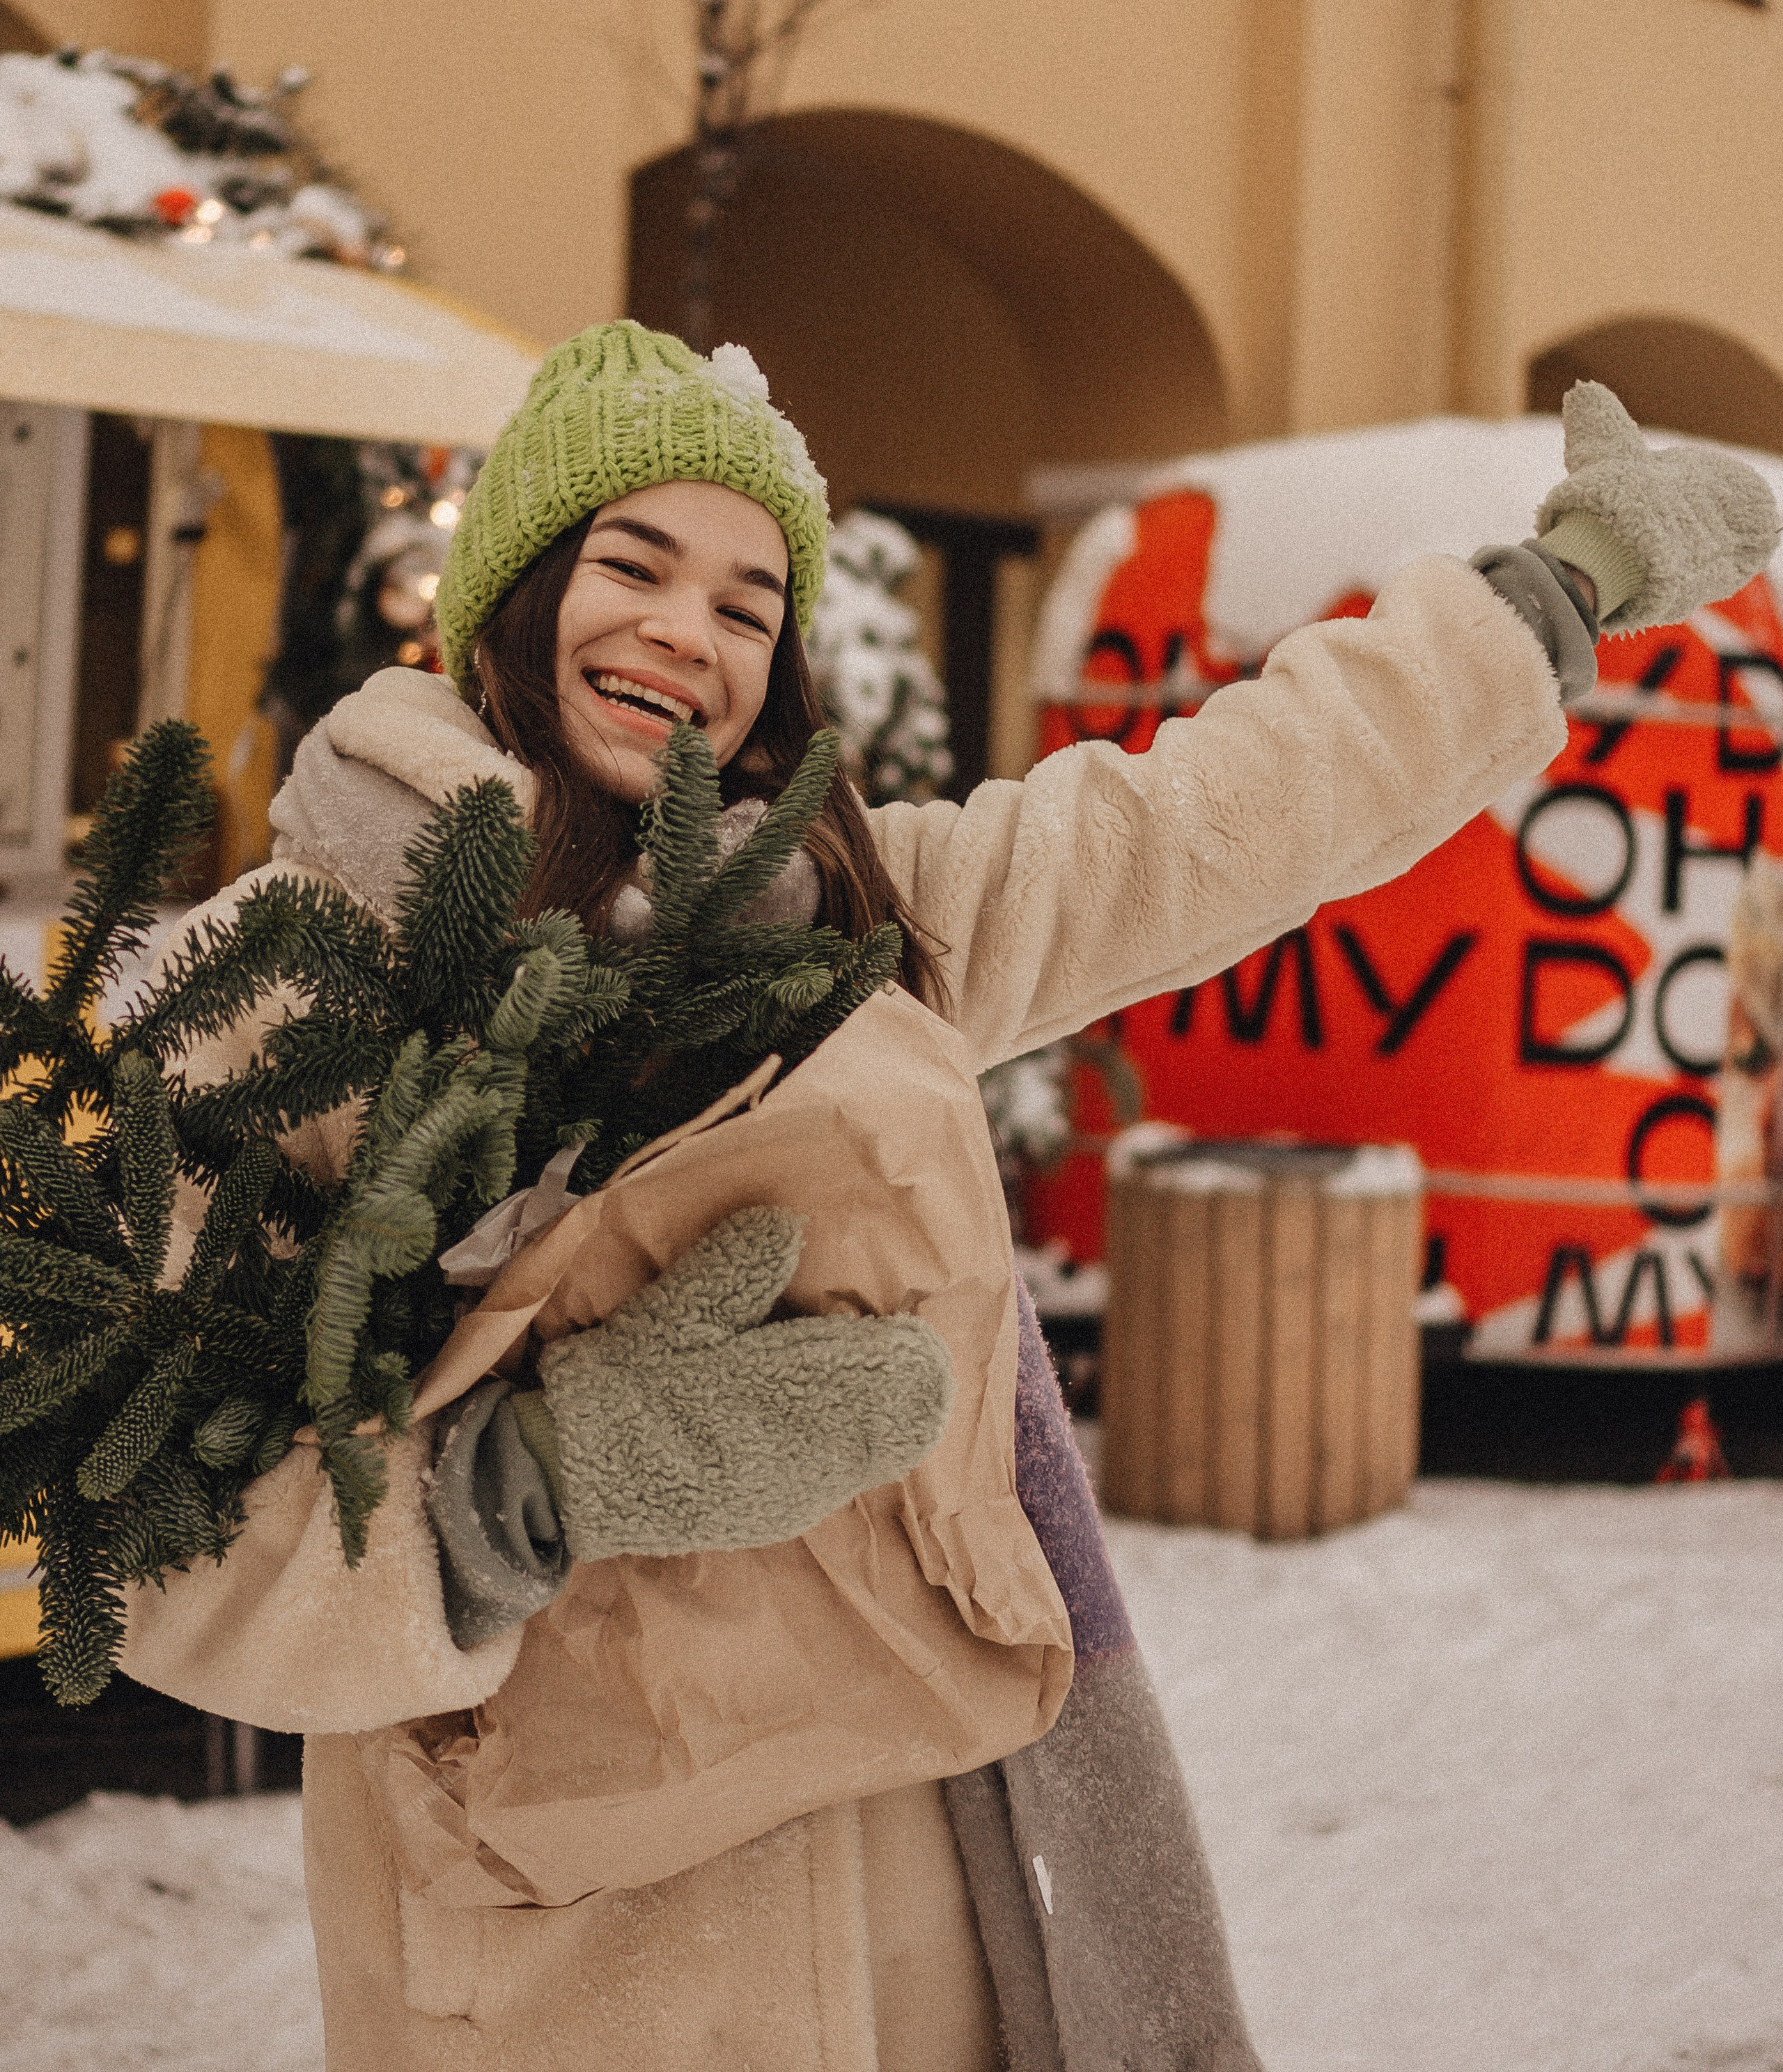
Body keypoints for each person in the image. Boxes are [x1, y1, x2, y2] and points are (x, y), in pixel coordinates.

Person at [118, 329, 1777, 2072]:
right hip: (554, 1959)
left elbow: (1218, 813)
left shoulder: (851, 930)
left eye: (749, 605)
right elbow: (152, 1528)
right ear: (515, 590)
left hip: (912, 1900)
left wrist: (1559, 585)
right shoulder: (291, 981)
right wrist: (528, 1485)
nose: (688, 632)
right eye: (632, 564)